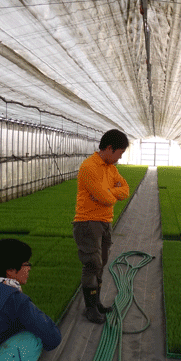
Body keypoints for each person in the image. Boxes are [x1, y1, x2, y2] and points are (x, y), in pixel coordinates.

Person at [73, 129, 130, 324]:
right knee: (92, 264)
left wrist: (109, 192)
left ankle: (96, 303)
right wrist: (110, 192)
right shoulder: (89, 167)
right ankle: (90, 308)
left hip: (105, 222)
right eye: (119, 153)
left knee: (102, 262)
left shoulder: (111, 168)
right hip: (88, 222)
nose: (119, 158)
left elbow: (126, 190)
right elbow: (106, 198)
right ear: (109, 148)